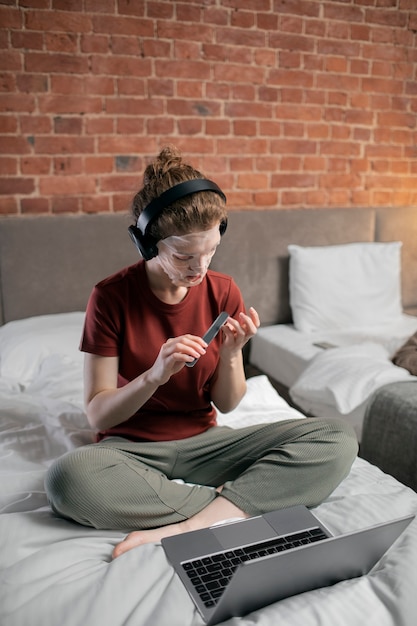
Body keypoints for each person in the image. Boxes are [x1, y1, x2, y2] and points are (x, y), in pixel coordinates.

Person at [45, 146, 358, 559]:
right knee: (67, 479)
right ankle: (242, 506)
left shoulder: (223, 290)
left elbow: (227, 405)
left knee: (336, 438)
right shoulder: (110, 297)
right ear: (147, 244)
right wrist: (154, 375)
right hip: (129, 450)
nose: (200, 267)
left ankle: (196, 524)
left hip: (208, 444)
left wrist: (232, 355)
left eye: (211, 251)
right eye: (184, 256)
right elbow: (98, 414)